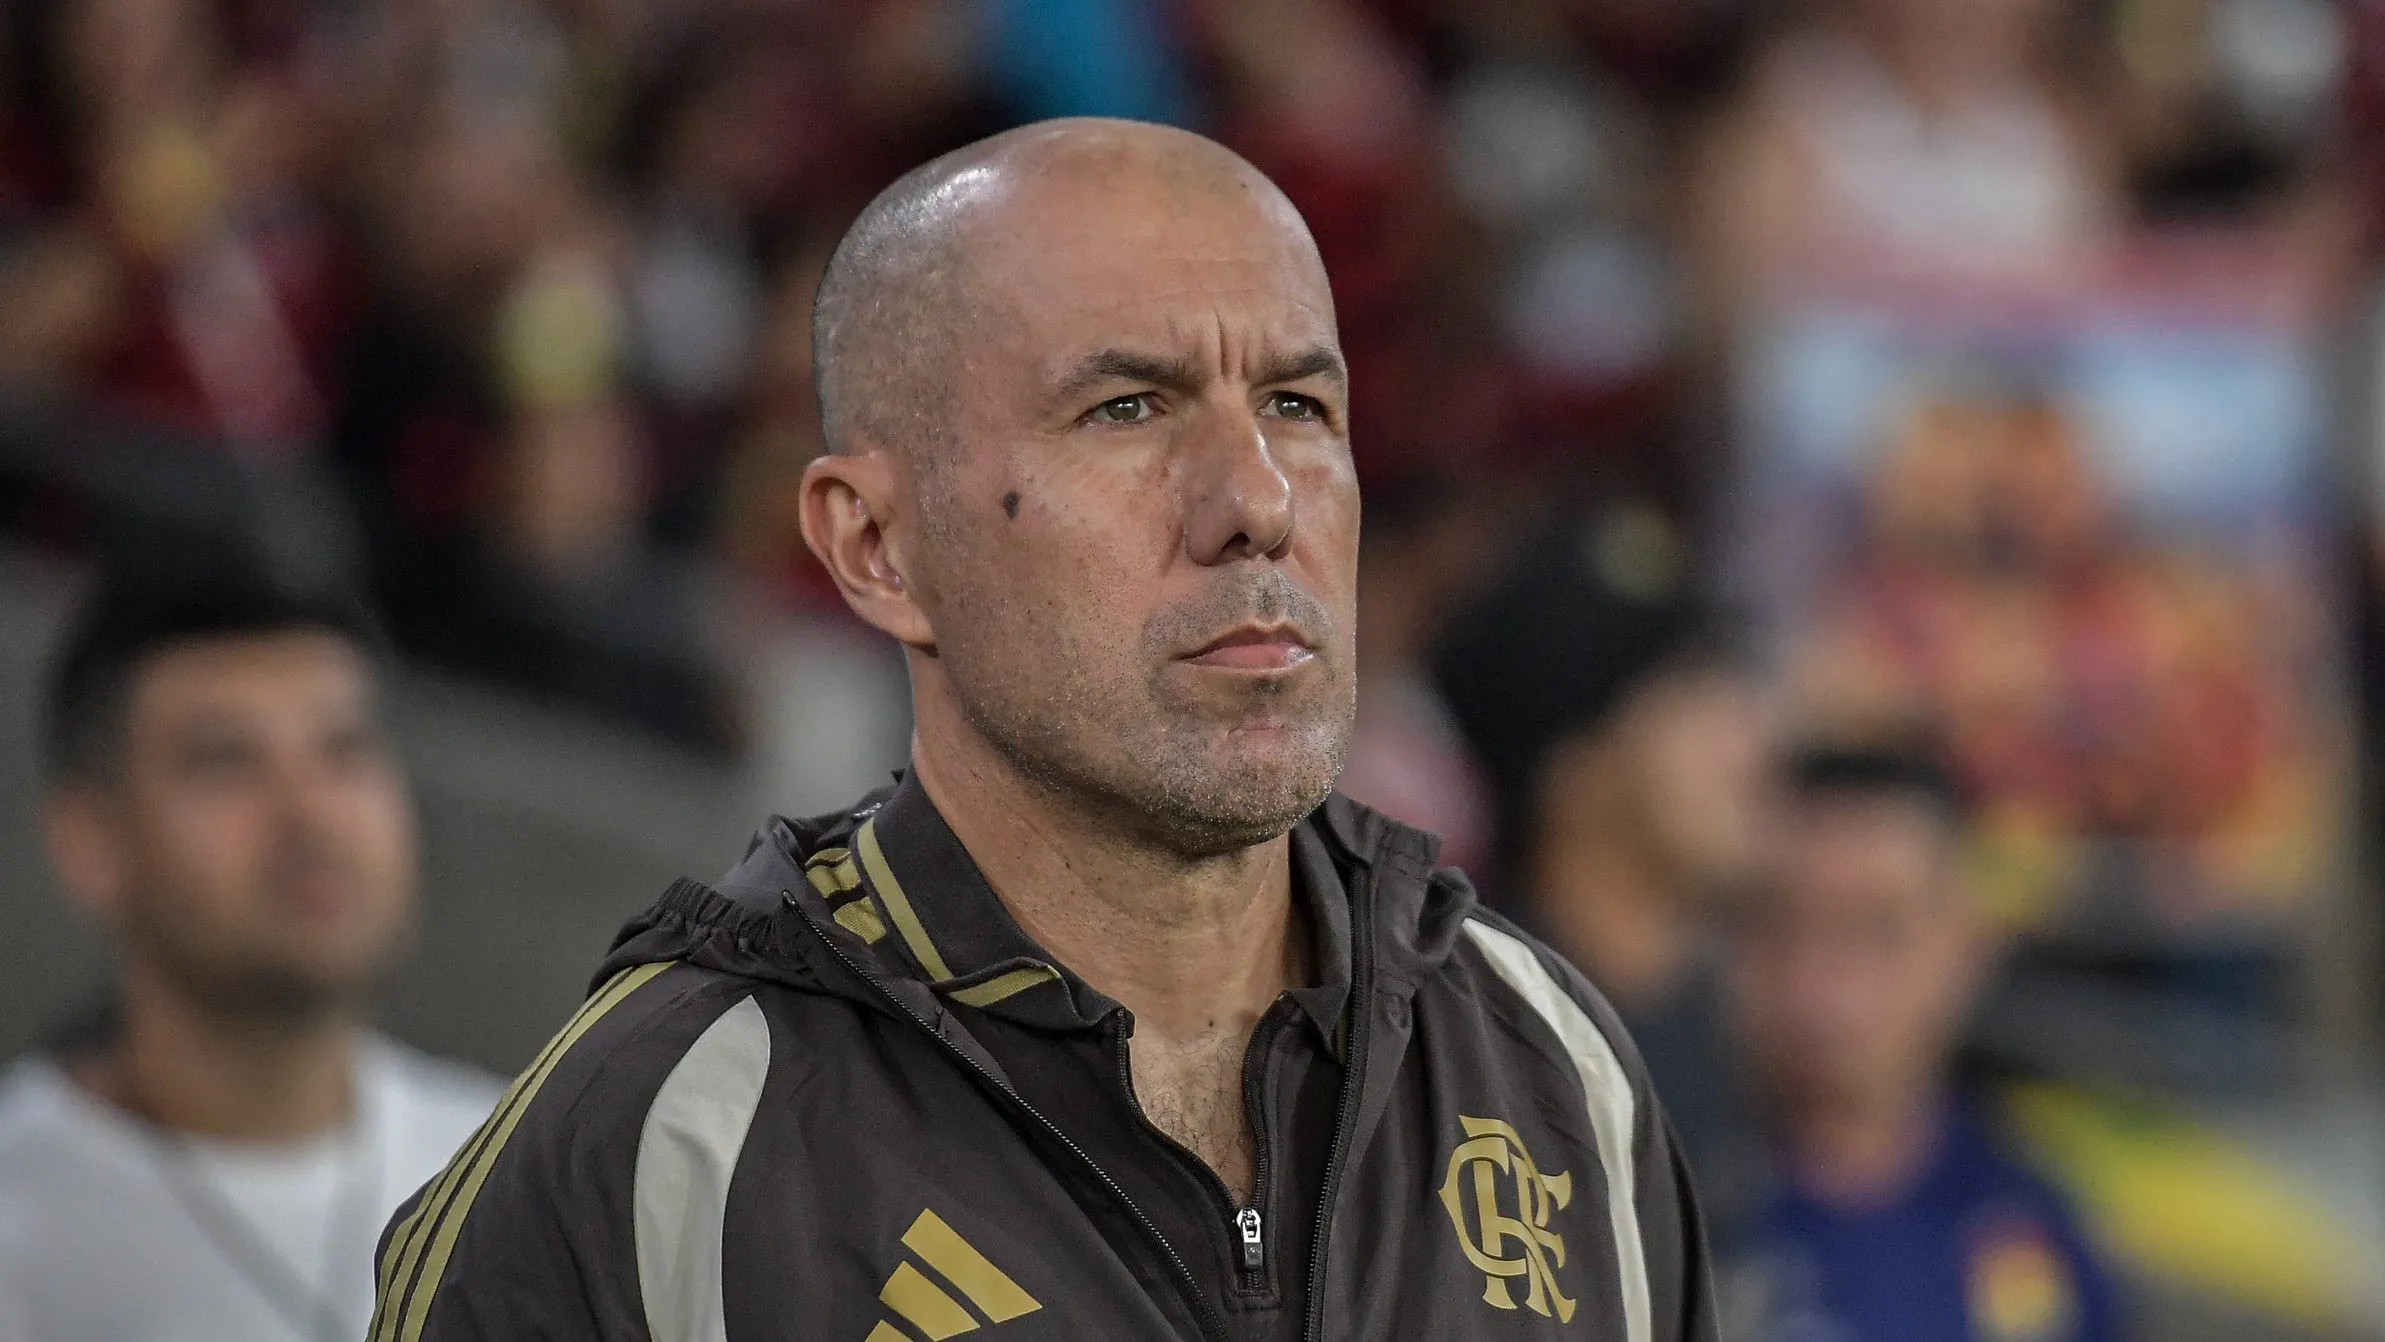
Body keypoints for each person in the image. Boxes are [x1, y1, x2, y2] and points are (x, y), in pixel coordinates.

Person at [370, 118, 1717, 1342]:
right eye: (1126, 407)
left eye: (1299, 407)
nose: (1256, 498)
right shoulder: (665, 1142)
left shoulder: (1553, 1065)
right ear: (878, 543)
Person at [0, 560, 503, 1342]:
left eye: (345, 748)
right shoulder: (20, 1217)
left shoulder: (522, 1175)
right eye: (227, 760)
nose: (311, 815)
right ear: (90, 842)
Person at [1436, 503, 1778, 1231]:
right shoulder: (1466, 1054)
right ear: (1572, 772)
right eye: (1693, 696)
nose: (1752, 745)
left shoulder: (1755, 1026)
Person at [1720, 746, 2120, 1342]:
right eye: (1780, 925)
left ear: (1965, 948)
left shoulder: (2036, 1230)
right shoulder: (1657, 1211)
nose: (1817, 980)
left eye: (1877, 932)